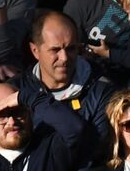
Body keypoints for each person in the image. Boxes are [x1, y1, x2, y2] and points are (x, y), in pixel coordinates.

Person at [18, 11, 112, 156]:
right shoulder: (17, 90)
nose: (64, 58)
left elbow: (96, 153)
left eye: (71, 49)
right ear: (35, 50)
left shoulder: (102, 91)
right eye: (55, 50)